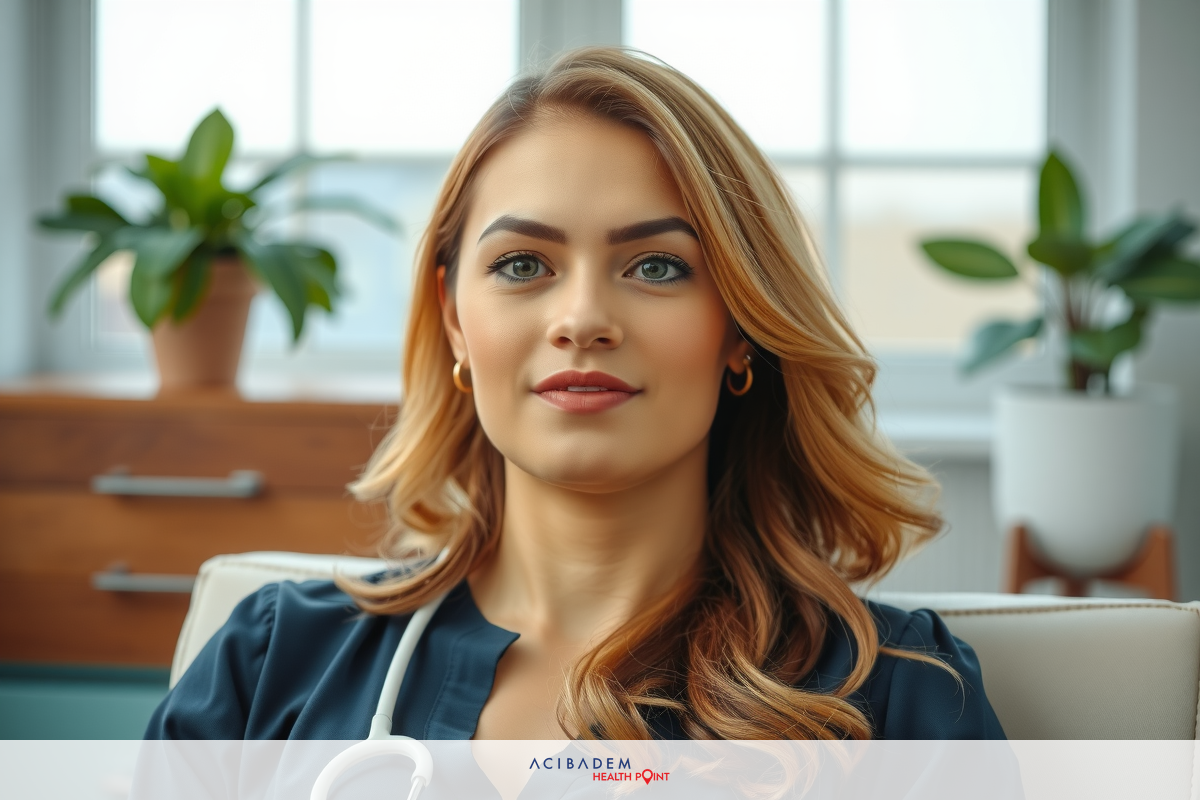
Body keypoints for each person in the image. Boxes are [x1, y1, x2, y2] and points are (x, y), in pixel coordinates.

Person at [146, 47, 1005, 741]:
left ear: (740, 326)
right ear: (453, 319)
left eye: (657, 266)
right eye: (523, 265)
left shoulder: (900, 699)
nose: (584, 318)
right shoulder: (270, 666)